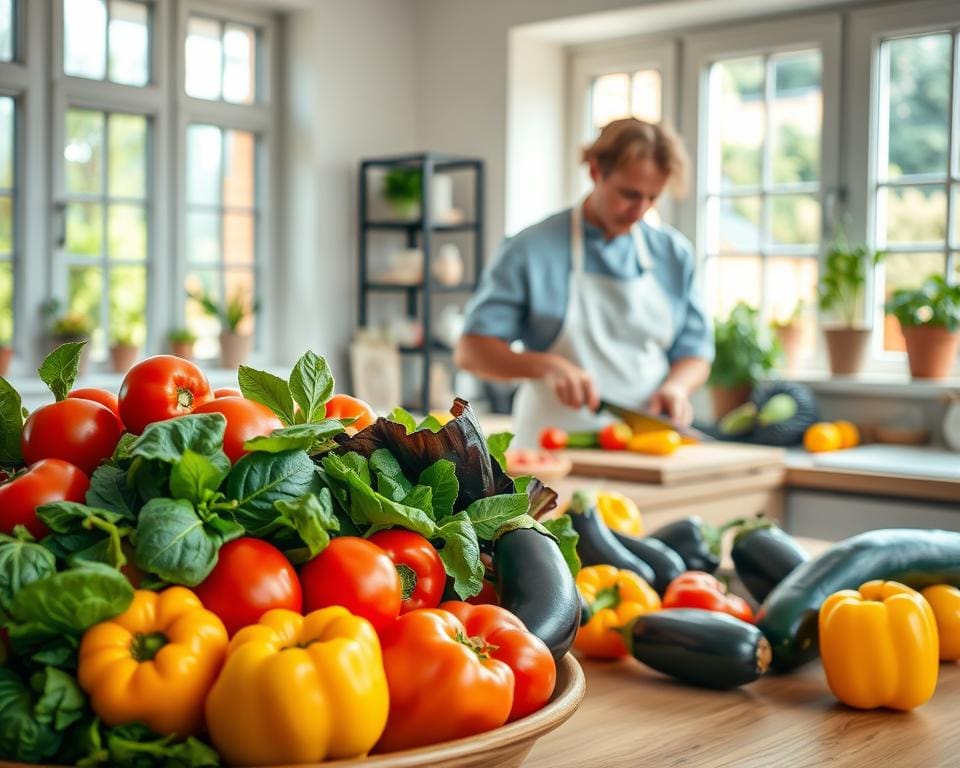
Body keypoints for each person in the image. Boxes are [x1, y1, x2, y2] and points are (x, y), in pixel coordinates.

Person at [455, 118, 714, 449]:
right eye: (629, 194)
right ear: (595, 172)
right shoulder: (531, 249)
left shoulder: (673, 255)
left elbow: (695, 353)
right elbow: (471, 351)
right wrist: (545, 365)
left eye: (652, 197)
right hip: (550, 447)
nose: (640, 210)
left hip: (643, 446)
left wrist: (676, 387)